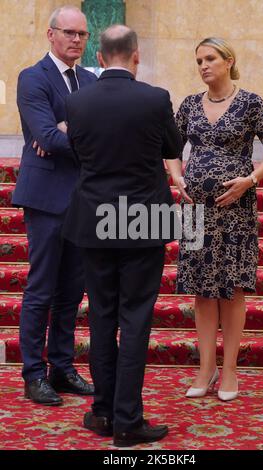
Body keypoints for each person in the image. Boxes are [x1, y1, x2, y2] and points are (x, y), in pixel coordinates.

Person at [62, 25, 182, 446]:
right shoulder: (155, 98)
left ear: (99, 53)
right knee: (135, 320)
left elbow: (78, 153)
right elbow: (172, 147)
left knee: (100, 317)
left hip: (94, 220)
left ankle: (102, 413)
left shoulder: (76, 102)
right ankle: (128, 421)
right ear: (136, 55)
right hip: (143, 221)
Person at [166, 37, 263, 401]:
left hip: (235, 209)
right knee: (202, 291)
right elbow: (170, 148)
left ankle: (230, 368)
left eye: (210, 58)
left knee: (232, 289)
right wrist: (177, 176)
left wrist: (250, 179)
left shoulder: (250, 102)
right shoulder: (189, 104)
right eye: (199, 59)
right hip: (195, 211)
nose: (203, 65)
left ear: (228, 60)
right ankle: (206, 368)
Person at [12, 5, 97, 406]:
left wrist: (68, 132)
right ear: (50, 35)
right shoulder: (33, 78)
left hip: (83, 199)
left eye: (82, 34)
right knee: (42, 288)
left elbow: (73, 138)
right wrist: (66, 134)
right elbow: (47, 134)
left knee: (71, 291)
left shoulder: (88, 81)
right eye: (69, 33)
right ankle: (33, 373)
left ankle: (61, 368)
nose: (76, 40)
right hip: (46, 199)